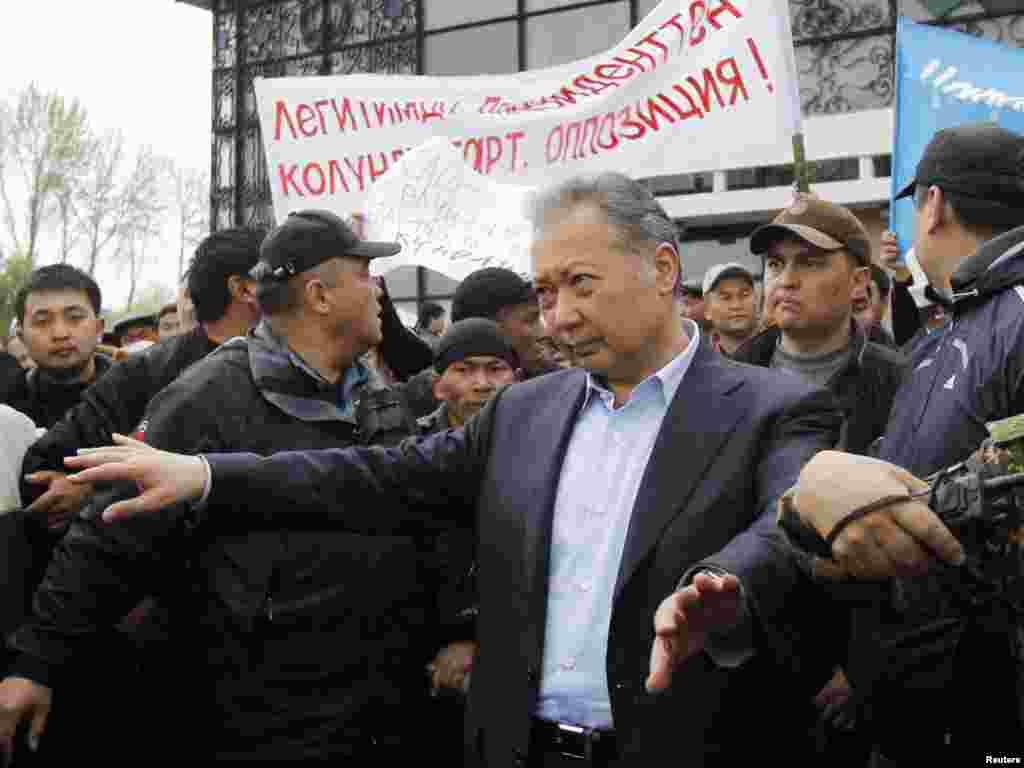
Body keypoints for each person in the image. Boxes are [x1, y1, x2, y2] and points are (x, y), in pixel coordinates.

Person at [56, 174, 844, 767]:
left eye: (581, 284)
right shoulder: (525, 411)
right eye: (545, 292)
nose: (559, 315)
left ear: (664, 269)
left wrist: (724, 584)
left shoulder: (776, 409)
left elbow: (789, 521)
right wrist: (208, 475)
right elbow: (375, 478)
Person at [0, 210, 449, 764]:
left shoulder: (374, 392)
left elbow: (422, 513)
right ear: (319, 295)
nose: (377, 290)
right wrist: (36, 662)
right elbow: (112, 534)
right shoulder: (208, 397)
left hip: (378, 703)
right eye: (363, 275)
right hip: (262, 713)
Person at [777, 123, 1024, 763]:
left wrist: (879, 511)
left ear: (933, 204)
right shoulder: (944, 333)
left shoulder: (1013, 315)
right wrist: (819, 507)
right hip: (913, 708)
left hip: (993, 711)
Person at [19, 228, 265, 530]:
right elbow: (47, 466)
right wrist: (87, 488)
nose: (60, 333)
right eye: (281, 277)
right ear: (244, 289)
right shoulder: (144, 373)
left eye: (74, 317)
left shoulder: (304, 367)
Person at [735, 195, 906, 456]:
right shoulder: (730, 380)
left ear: (858, 282)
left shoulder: (899, 384)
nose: (786, 280)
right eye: (775, 264)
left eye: (809, 263)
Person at [1, 265, 112, 429]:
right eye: (42, 321)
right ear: (21, 336)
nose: (60, 333)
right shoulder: (7, 405)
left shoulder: (137, 394)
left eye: (74, 317)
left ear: (99, 329)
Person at [701, 262, 758, 357]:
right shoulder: (699, 362)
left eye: (745, 295)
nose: (736, 305)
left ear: (756, 300)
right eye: (725, 297)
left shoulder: (779, 352)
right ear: (707, 309)